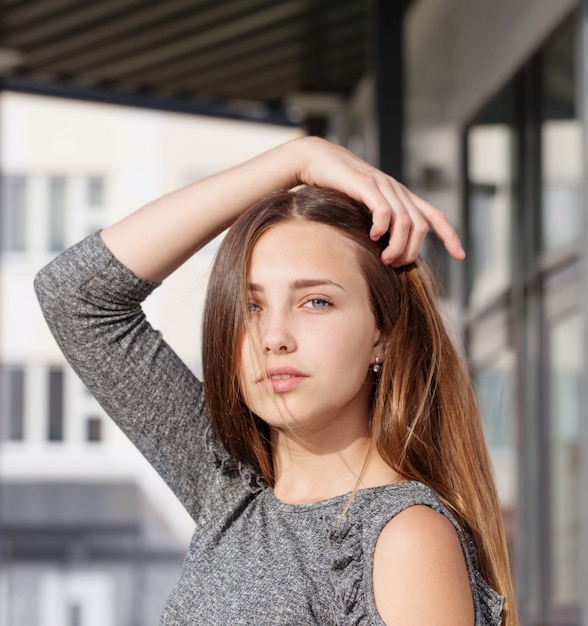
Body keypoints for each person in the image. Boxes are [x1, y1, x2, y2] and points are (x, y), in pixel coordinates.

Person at [35, 136, 517, 625]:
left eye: (316, 302)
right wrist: (295, 160)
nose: (274, 337)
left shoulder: (405, 536)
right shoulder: (231, 488)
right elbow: (75, 296)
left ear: (384, 335)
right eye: (252, 306)